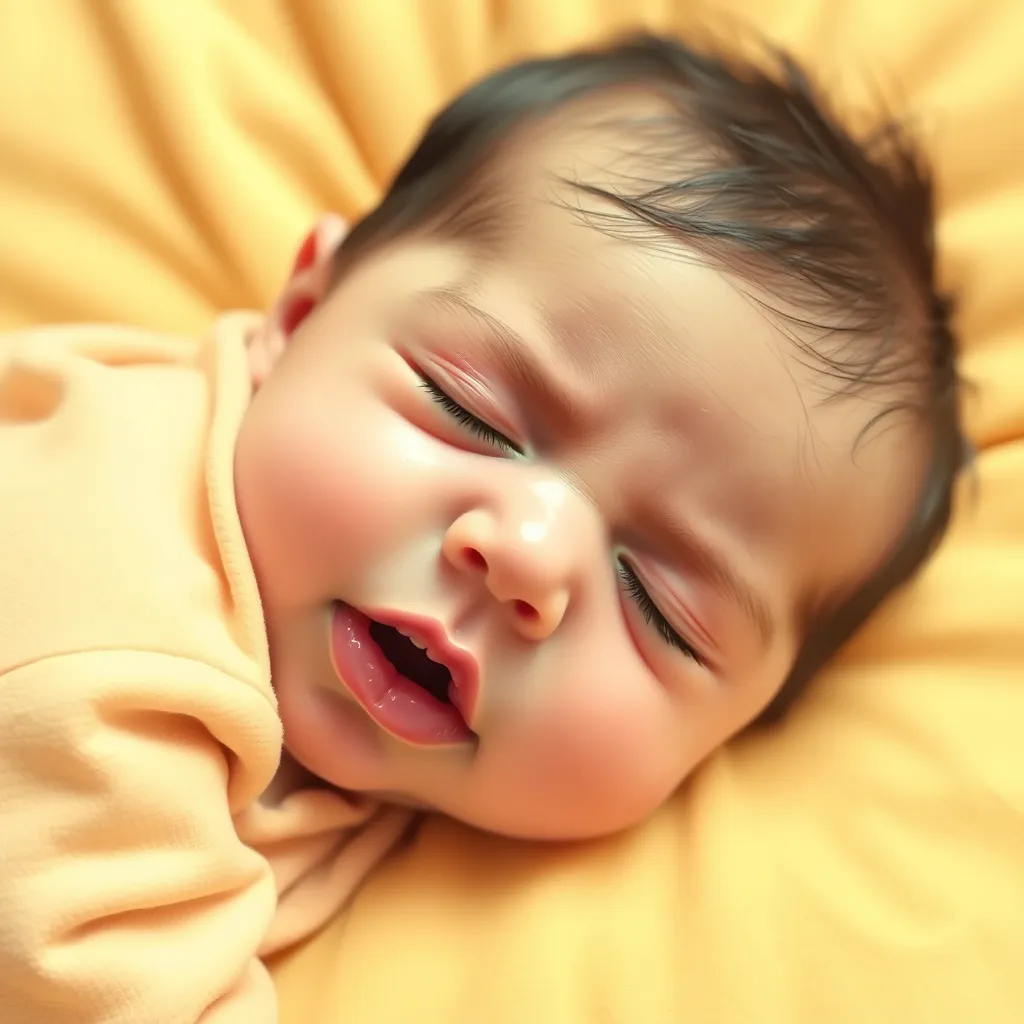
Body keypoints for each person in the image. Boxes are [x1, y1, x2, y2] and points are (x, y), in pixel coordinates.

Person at [0, 32, 965, 1024]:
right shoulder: (108, 572)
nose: (526, 557)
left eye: (660, 609)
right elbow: (72, 951)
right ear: (298, 312)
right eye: (470, 412)